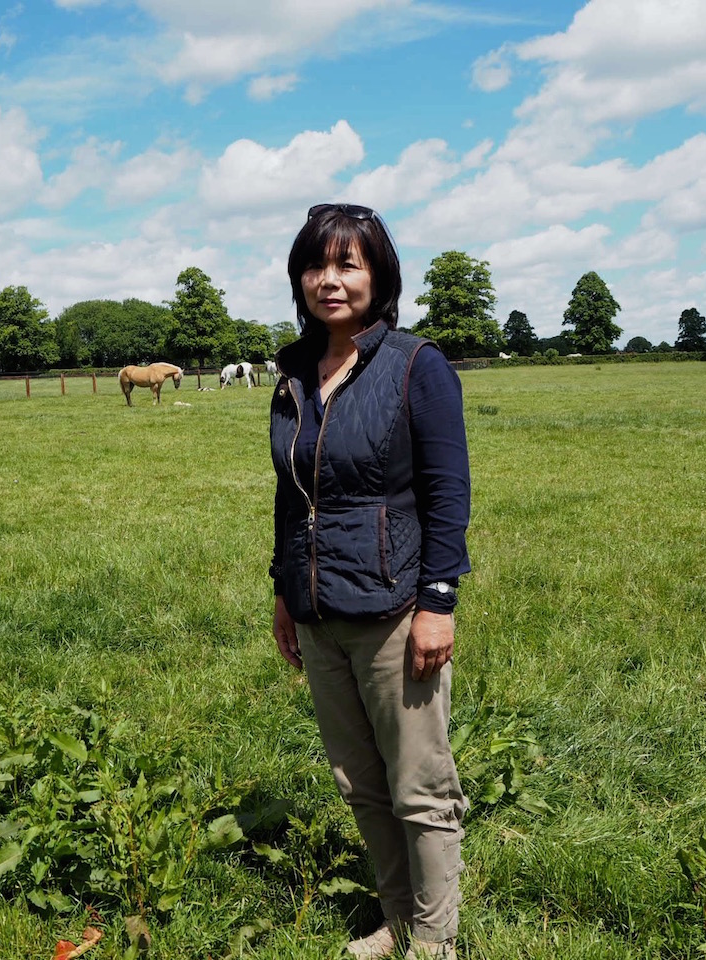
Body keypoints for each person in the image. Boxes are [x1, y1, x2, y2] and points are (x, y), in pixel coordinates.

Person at [269, 203, 472, 960]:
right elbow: (293, 495)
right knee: (359, 781)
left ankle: (437, 941)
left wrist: (437, 603)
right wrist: (285, 591)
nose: (330, 280)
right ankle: (401, 920)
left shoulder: (417, 365)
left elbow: (449, 494)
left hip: (394, 607)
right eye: (317, 265)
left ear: (378, 275)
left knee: (419, 784)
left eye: (347, 264)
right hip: (319, 609)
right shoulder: (291, 370)